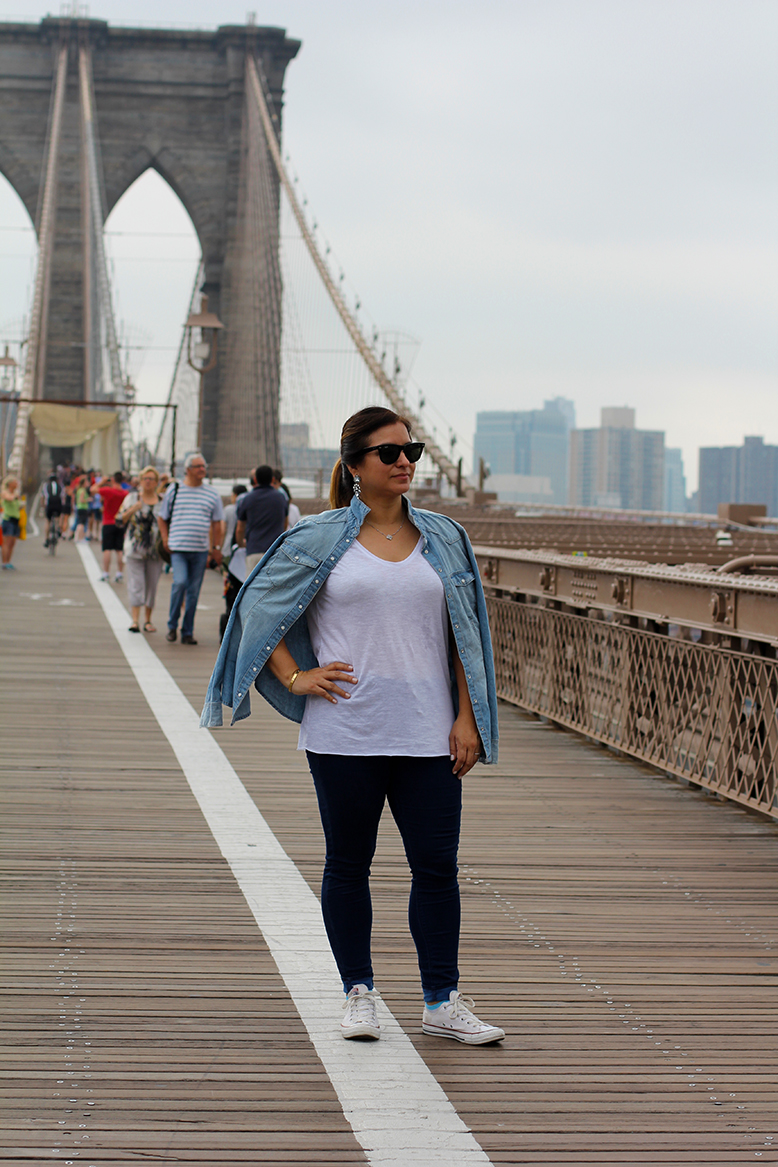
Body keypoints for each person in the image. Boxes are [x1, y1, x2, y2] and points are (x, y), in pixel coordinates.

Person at [202, 406, 504, 1046]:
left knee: (437, 868)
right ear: (355, 465)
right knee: (348, 864)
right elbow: (257, 607)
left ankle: (441, 1000)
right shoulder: (318, 538)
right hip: (345, 733)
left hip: (429, 732)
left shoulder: (444, 538)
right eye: (390, 453)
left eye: (412, 451)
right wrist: (294, 678)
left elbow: (465, 635)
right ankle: (358, 993)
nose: (405, 462)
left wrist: (467, 717)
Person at [157, 452, 224, 645]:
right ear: (188, 470)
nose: (203, 469)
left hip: (200, 550)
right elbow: (162, 516)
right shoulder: (175, 489)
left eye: (204, 466)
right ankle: (171, 625)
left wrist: (216, 548)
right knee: (179, 583)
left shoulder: (212, 493)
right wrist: (164, 538)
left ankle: (187, 631)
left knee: (194, 592)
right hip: (177, 548)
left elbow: (217, 523)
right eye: (198, 466)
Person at [117, 465, 164, 634]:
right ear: (141, 480)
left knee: (152, 586)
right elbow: (118, 520)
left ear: (157, 482)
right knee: (136, 585)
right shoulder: (132, 498)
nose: (148, 482)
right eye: (145, 478)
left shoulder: (163, 501)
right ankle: (135, 620)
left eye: (152, 479)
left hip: (155, 551)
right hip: (134, 550)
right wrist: (132, 510)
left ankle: (148, 620)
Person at [235, 464, 288, 573]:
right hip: (275, 550)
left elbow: (240, 527)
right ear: (272, 479)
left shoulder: (247, 498)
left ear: (255, 479)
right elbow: (285, 523)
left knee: (252, 586)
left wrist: (241, 543)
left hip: (254, 549)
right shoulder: (280, 498)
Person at [91, 471, 129, 581]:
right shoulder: (125, 493)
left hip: (108, 522)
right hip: (120, 522)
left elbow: (93, 490)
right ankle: (119, 573)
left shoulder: (108, 491)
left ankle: (106, 573)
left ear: (113, 479)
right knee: (119, 549)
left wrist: (102, 481)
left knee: (107, 548)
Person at [1, 474, 23, 570]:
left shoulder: (16, 494)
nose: (16, 484)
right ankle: (4, 562)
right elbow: (9, 498)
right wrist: (15, 496)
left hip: (15, 519)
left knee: (13, 542)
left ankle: (9, 561)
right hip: (8, 519)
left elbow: (19, 506)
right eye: (15, 482)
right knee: (6, 542)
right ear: (10, 483)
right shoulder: (5, 492)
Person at [42, 472, 63, 547]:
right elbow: (63, 497)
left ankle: (47, 539)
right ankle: (58, 528)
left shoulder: (46, 486)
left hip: (49, 504)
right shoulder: (60, 486)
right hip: (58, 504)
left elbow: (43, 497)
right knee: (59, 516)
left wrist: (43, 507)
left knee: (48, 520)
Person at [73, 474, 91, 541]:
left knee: (80, 523)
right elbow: (81, 500)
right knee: (81, 524)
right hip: (83, 508)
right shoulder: (83, 490)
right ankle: (80, 537)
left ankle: (77, 537)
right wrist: (88, 499)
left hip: (79, 507)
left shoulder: (79, 489)